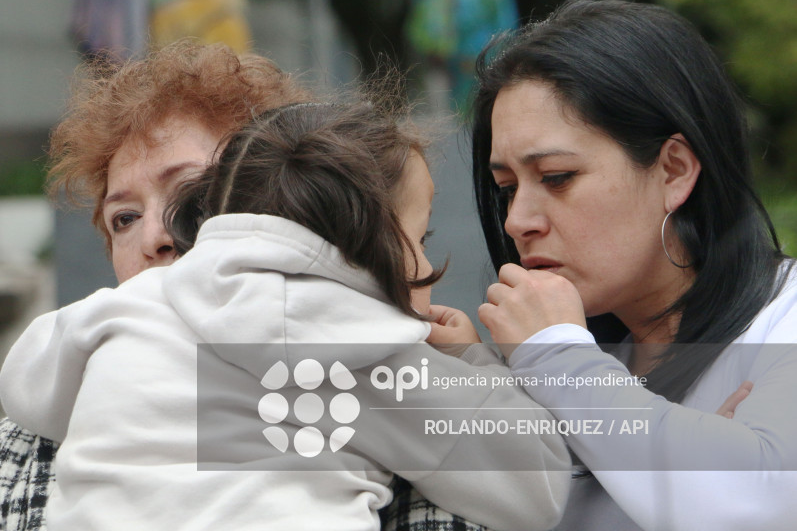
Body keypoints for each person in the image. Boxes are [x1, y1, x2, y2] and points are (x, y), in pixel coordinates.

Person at [1, 100, 571, 530]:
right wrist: (472, 363)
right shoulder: (370, 351)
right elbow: (537, 485)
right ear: (373, 245)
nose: (156, 236)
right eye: (420, 239)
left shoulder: (124, 309)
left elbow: (26, 385)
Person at [459, 0, 797, 530]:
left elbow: (750, 505)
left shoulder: (784, 318)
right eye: (506, 189)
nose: (517, 221)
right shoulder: (571, 352)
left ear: (674, 171)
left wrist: (557, 362)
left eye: (556, 177)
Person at [0, 39, 311, 530]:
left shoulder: (366, 386)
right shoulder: (23, 451)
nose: (155, 237)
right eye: (124, 218)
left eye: (192, 194)